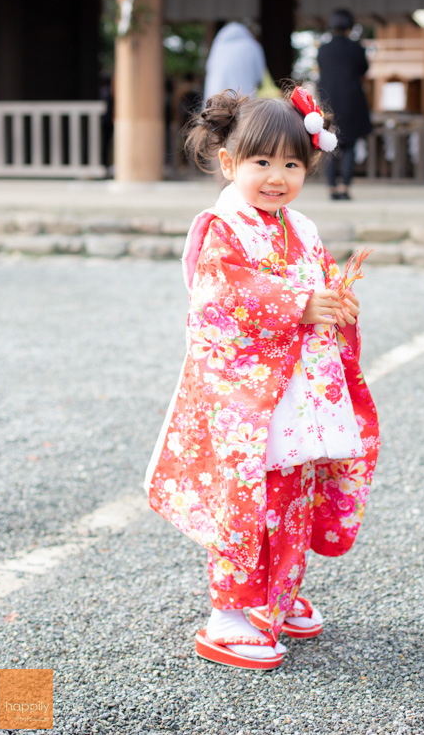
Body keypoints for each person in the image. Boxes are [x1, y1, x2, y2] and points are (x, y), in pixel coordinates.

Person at [144, 86, 380, 671]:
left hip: (293, 389)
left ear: (310, 166)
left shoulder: (301, 226)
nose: (277, 176)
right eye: (262, 162)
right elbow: (221, 297)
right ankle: (229, 612)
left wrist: (335, 306)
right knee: (248, 494)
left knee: (294, 488)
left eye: (293, 163)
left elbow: (317, 286)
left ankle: (276, 595)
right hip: (243, 394)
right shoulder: (219, 226)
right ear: (228, 163)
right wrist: (301, 304)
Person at [317, 9, 372, 200]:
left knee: (329, 146)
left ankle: (331, 187)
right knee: (349, 146)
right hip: (351, 102)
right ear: (350, 26)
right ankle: (344, 188)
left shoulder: (324, 49)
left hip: (328, 102)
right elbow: (364, 69)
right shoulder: (356, 48)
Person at [203, 22, 266, 103]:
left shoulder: (218, 47)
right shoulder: (253, 46)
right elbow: (260, 76)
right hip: (244, 98)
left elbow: (208, 69)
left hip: (217, 99)